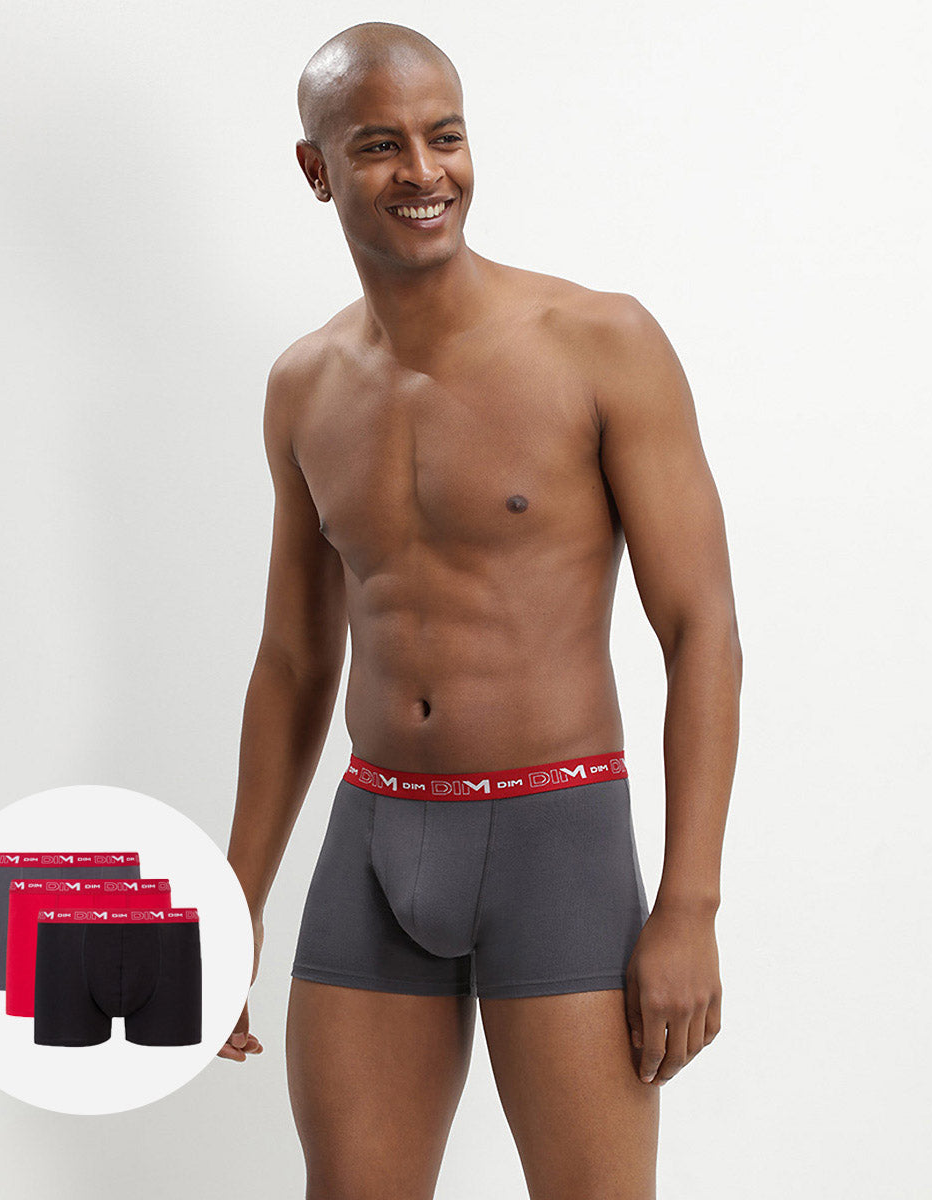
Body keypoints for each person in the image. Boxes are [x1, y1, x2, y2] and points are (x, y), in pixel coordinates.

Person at [221, 20, 742, 1200]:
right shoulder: (303, 386)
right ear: (315, 169)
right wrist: (233, 898)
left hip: (558, 840)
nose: (424, 171)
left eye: (444, 137)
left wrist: (690, 904)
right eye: (379, 146)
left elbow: (701, 629)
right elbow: (294, 661)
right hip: (374, 838)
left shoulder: (601, 343)